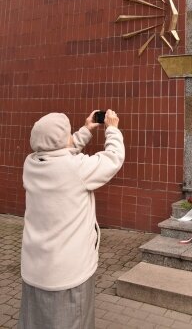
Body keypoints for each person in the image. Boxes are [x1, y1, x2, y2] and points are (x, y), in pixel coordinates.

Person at [18, 109, 125, 329]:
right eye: (67, 134)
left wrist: (86, 130)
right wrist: (112, 129)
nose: (70, 138)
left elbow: (59, 150)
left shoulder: (30, 164)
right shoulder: (76, 169)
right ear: (61, 139)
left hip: (36, 270)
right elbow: (113, 158)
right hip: (68, 274)